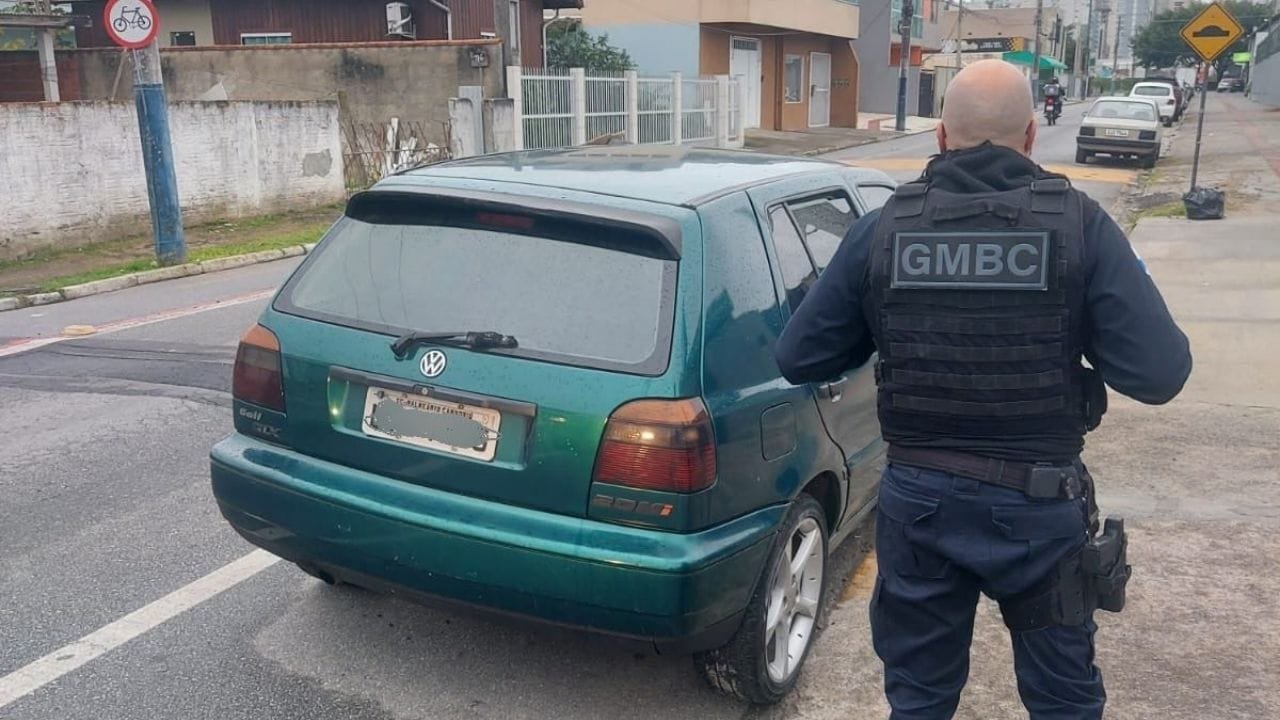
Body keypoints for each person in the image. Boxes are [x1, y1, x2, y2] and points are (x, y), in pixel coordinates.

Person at [775, 59, 1191, 719]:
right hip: (1039, 508)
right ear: (1031, 136)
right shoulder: (1080, 226)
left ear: (941, 137)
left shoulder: (882, 231)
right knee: (1063, 703)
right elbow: (1162, 372)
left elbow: (800, 357)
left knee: (919, 701)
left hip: (920, 508)